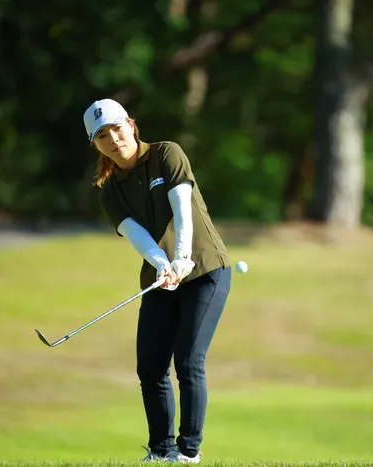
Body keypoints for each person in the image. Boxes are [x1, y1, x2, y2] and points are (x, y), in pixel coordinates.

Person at [83, 98, 232, 464]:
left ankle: (188, 452)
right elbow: (138, 236)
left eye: (117, 128)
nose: (113, 139)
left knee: (188, 361)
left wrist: (182, 257)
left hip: (205, 269)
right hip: (161, 277)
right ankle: (161, 450)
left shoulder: (167, 153)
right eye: (102, 136)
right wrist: (163, 264)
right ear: (96, 144)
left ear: (131, 125)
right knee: (150, 367)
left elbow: (182, 210)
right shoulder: (110, 191)